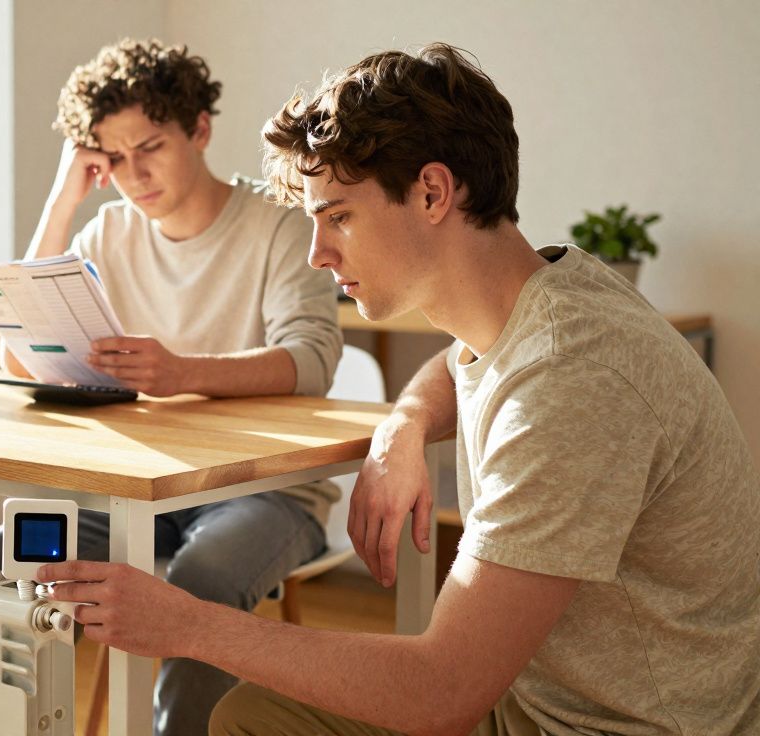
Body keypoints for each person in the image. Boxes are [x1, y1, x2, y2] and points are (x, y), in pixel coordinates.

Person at [37, 42, 760, 735]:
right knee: (245, 716)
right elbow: (457, 364)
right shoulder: (544, 296)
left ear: (433, 192)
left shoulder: (573, 381)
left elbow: (441, 692)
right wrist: (403, 426)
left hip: (619, 727)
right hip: (540, 702)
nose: (319, 253)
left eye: (340, 218)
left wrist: (185, 624)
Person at [0, 38, 343, 734]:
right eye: (113, 158)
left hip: (265, 491)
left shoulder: (280, 224)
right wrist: (63, 198)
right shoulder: (109, 231)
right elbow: (21, 357)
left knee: (198, 586)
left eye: (150, 147)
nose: (134, 174)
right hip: (146, 492)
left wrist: (181, 373)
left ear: (199, 130)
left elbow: (311, 359)